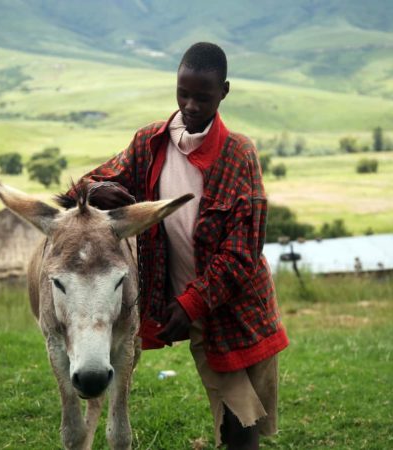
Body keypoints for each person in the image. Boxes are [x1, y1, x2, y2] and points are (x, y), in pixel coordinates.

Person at [58, 42, 289, 449]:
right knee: (237, 417)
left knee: (241, 424)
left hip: (235, 309)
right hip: (183, 303)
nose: (191, 105)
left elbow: (242, 253)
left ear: (225, 91)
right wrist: (97, 190)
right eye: (183, 93)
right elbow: (83, 187)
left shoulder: (239, 155)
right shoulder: (151, 143)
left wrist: (191, 304)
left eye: (203, 96)